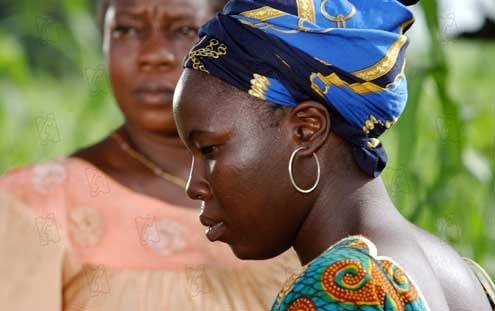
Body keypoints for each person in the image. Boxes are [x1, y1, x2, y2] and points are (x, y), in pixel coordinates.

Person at [172, 0, 495, 310]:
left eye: (209, 150)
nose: (194, 186)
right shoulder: (456, 271)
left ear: (306, 130)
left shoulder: (340, 288)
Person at [0, 0, 297, 310]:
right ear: (102, 42)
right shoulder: (35, 205)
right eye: (126, 30)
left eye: (183, 29)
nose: (153, 55)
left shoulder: (295, 187)